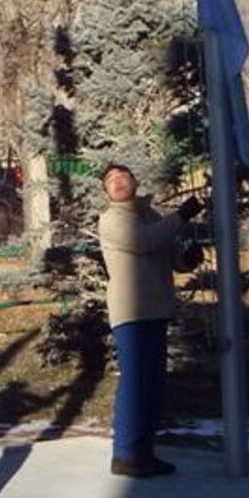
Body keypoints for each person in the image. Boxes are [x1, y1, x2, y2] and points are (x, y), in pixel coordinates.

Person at [97, 162, 202, 478]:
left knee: (152, 385)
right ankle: (126, 454)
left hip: (156, 308)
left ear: (134, 181)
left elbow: (167, 254)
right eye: (110, 180)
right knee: (135, 383)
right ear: (106, 192)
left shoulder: (151, 217)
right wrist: (181, 216)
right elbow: (143, 241)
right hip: (130, 312)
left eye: (122, 176)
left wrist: (187, 258)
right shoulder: (112, 219)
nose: (116, 182)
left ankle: (143, 452)